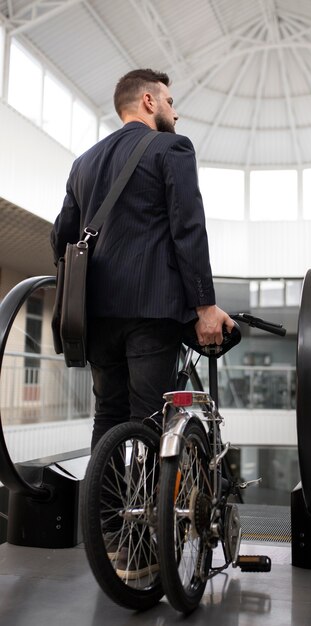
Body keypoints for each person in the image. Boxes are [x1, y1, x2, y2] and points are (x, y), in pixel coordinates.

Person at [50, 68, 233, 451]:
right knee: (151, 417)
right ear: (149, 101)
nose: (175, 113)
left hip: (96, 316)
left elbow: (61, 237)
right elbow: (188, 228)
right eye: (170, 101)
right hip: (153, 311)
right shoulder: (172, 148)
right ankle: (150, 512)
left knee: (108, 415)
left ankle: (105, 511)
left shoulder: (83, 162)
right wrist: (206, 307)